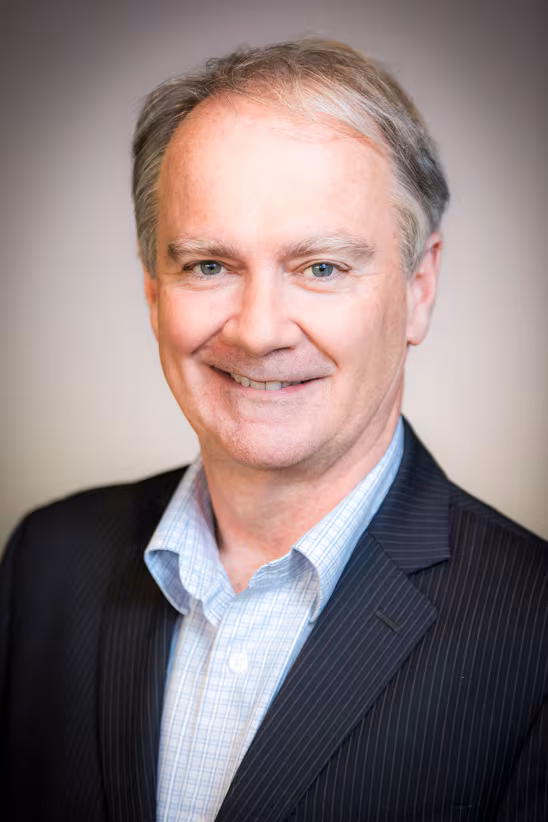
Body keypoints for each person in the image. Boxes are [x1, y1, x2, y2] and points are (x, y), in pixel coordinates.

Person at [0, 39, 546, 822]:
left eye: (321, 267)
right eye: (208, 266)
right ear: (154, 292)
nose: (257, 332)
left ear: (419, 289)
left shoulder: (533, 629)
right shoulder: (43, 566)